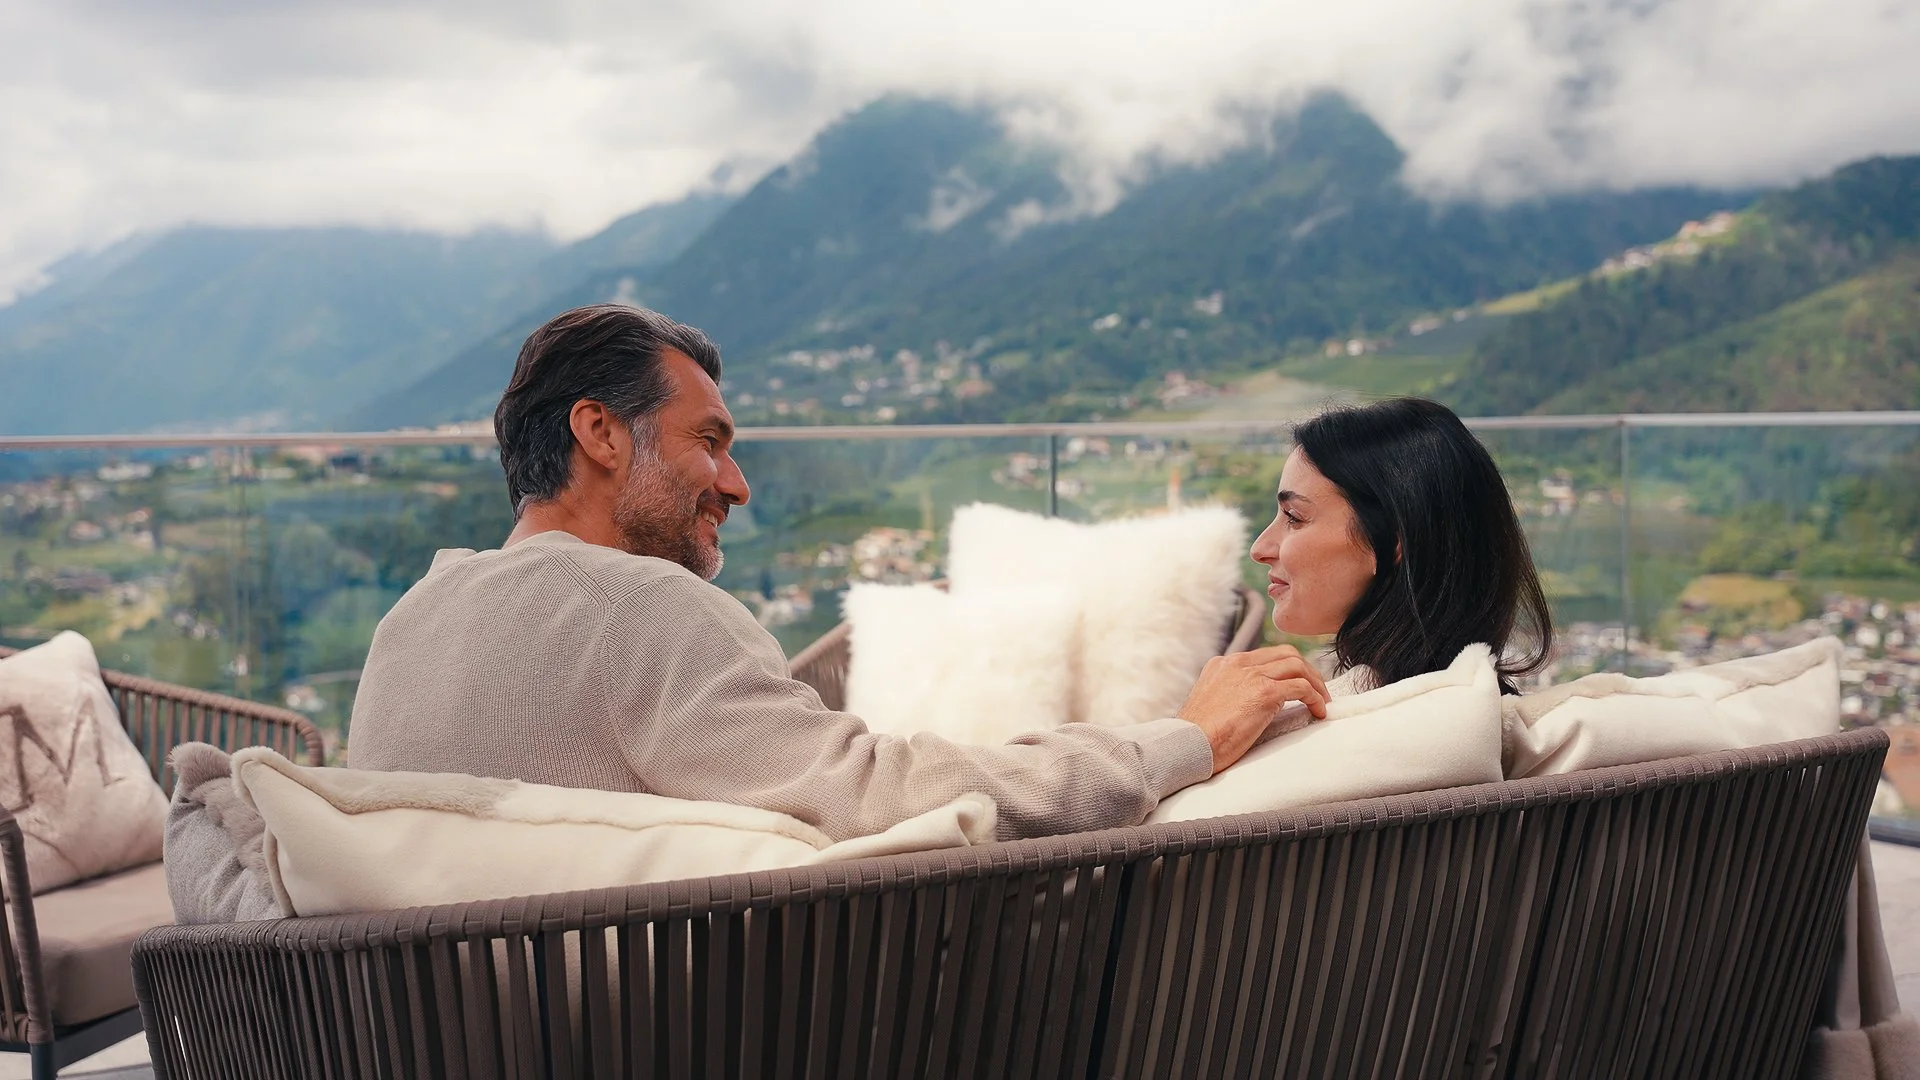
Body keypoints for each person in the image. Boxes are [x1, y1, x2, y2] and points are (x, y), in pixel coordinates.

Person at [347, 304, 1328, 842]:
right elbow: (878, 792)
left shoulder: (411, 623)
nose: (736, 484)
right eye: (711, 442)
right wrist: (1176, 742)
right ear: (599, 432)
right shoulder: (642, 606)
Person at [1250, 396, 1554, 696]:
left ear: (1394, 542)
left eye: (1294, 517)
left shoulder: (1361, 732)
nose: (1259, 549)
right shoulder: (1474, 708)